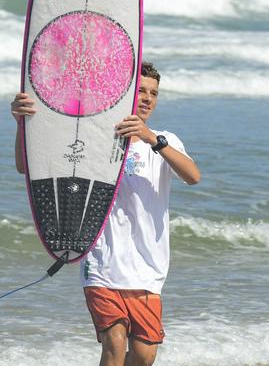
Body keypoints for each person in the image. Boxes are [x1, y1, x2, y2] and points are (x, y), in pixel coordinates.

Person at [12, 61, 200, 366]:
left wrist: (153, 139)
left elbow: (193, 176)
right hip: (101, 262)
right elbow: (26, 165)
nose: (147, 98)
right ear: (123, 92)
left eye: (154, 92)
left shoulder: (165, 141)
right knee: (114, 342)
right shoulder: (91, 139)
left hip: (148, 268)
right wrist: (23, 124)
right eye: (140, 90)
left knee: (144, 355)